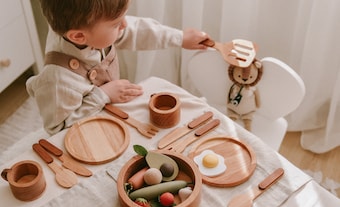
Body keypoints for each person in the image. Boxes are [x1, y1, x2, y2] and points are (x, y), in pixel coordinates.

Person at [27, 0, 210, 135]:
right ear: (78, 37)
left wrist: (179, 38)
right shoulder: (58, 80)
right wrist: (103, 95)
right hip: (86, 133)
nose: (124, 24)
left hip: (108, 110)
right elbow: (57, 130)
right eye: (116, 23)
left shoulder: (89, 29)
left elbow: (136, 30)